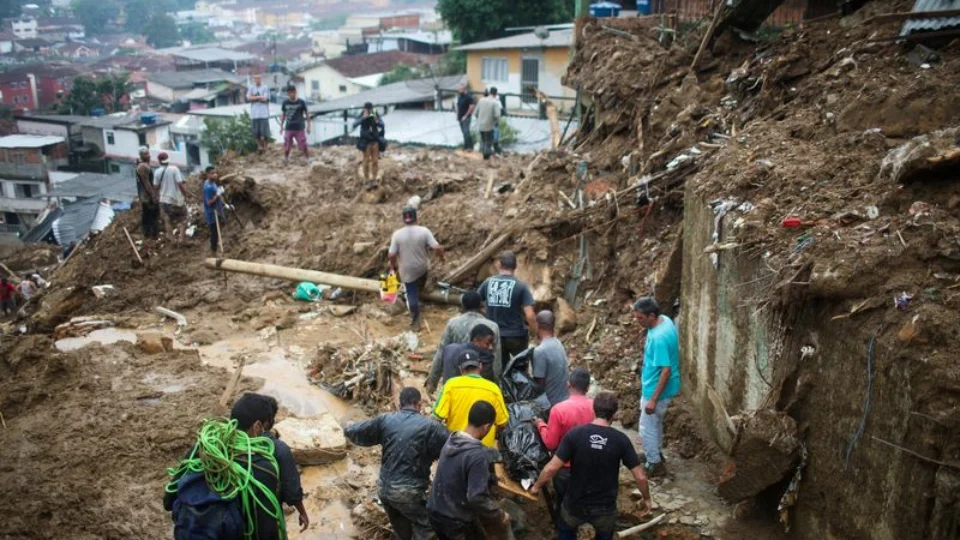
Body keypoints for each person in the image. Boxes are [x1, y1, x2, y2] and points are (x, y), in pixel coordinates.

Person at [530, 392, 652, 540]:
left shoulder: (575, 434)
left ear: (593, 410)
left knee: (565, 532)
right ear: (614, 414)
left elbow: (552, 468)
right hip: (605, 508)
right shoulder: (621, 440)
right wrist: (646, 499)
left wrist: (536, 487)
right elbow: (640, 477)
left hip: (574, 504)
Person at [164, 394, 285, 540]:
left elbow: (168, 501)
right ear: (257, 427)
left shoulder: (202, 448)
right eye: (267, 428)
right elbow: (265, 531)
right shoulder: (262, 468)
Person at [345, 387, 449, 540]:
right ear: (419, 405)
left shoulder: (385, 420)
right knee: (427, 525)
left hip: (384, 490)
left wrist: (347, 428)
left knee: (401, 529)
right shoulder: (430, 427)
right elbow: (453, 447)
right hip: (408, 492)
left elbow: (358, 431)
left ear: (399, 405)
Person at [428, 400, 510, 540]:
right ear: (486, 427)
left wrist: (491, 478)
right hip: (455, 520)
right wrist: (499, 514)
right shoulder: (477, 455)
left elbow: (459, 472)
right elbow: (476, 497)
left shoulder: (453, 439)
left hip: (435, 510)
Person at [535, 367, 595, 512]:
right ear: (588, 387)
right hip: (591, 466)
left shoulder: (559, 410)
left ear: (568, 385)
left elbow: (550, 443)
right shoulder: (596, 407)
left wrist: (540, 425)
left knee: (564, 506)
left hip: (565, 469)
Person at [633, 297, 681, 477]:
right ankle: (656, 453)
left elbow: (666, 370)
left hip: (655, 390)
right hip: (666, 388)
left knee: (647, 428)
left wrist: (653, 399)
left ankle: (654, 463)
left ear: (651, 316)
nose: (638, 321)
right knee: (655, 424)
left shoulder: (658, 338)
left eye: (640, 318)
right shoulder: (665, 321)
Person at [426, 290, 502, 394]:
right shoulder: (492, 326)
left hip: (457, 377)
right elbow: (497, 359)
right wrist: (497, 387)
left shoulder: (453, 324)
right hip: (482, 380)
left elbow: (441, 353)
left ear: (463, 306)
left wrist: (432, 383)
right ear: (480, 306)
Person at [432, 349, 508, 448]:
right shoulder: (493, 389)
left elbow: (436, 418)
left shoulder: (451, 385)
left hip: (456, 447)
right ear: (480, 366)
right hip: (483, 450)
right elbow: (503, 423)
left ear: (461, 369)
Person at [256, 394, 310, 532]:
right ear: (269, 420)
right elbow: (291, 487)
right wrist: (302, 512)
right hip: (268, 519)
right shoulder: (278, 449)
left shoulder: (231, 446)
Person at [388, 206, 444, 331]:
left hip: (407, 271)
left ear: (403, 219)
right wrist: (441, 257)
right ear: (416, 218)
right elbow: (437, 248)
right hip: (422, 268)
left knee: (411, 293)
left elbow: (391, 255)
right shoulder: (424, 231)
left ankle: (416, 321)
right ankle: (421, 289)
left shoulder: (397, 234)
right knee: (421, 278)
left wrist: (392, 266)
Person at [477, 251, 538, 363]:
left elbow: (475, 302)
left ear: (499, 265)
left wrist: (486, 313)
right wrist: (537, 332)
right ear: (515, 267)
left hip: (494, 335)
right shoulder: (521, 286)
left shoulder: (488, 283)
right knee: (520, 367)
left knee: (500, 368)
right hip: (517, 335)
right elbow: (530, 315)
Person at [431, 323, 498, 391]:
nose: (491, 347)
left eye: (492, 344)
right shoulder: (482, 358)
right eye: (487, 344)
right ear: (476, 341)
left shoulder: (450, 348)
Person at [531, 310, 570, 406]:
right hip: (565, 399)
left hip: (551, 404)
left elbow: (539, 386)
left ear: (537, 325)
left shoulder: (540, 351)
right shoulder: (558, 342)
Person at [153, 152, 188, 244]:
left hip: (164, 200)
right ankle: (181, 239)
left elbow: (155, 187)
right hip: (175, 200)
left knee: (167, 219)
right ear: (168, 160)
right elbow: (180, 184)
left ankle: (172, 240)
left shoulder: (157, 172)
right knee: (184, 217)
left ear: (159, 161)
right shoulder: (174, 169)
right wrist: (185, 194)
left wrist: (156, 196)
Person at [353, 102, 385, 183]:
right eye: (368, 109)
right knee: (366, 161)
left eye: (370, 109)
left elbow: (382, 124)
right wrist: (363, 118)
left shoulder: (375, 113)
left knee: (375, 161)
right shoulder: (362, 114)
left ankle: (374, 179)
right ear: (365, 109)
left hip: (374, 140)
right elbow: (354, 124)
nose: (369, 111)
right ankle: (366, 180)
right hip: (366, 141)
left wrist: (377, 122)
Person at [280, 85, 310, 164]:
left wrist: (308, 126)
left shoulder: (301, 102)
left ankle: (308, 158)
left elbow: (307, 114)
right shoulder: (285, 103)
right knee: (287, 144)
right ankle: (286, 158)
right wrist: (281, 126)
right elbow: (283, 115)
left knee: (303, 144)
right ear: (288, 94)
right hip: (289, 127)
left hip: (299, 128)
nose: (292, 94)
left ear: (296, 92)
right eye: (290, 93)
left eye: (293, 92)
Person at [135, 146, 159, 239]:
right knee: (150, 214)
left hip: (146, 195)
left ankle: (149, 233)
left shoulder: (145, 165)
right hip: (146, 196)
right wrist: (153, 196)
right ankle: (150, 234)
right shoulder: (143, 166)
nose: (148, 155)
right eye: (146, 154)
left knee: (149, 214)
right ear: (141, 156)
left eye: (148, 153)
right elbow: (146, 183)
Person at [203, 166, 226, 253]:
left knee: (218, 228)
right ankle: (213, 250)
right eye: (212, 173)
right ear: (208, 174)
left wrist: (225, 204)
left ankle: (217, 245)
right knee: (214, 232)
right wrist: (218, 194)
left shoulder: (211, 182)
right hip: (213, 213)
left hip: (218, 209)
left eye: (215, 173)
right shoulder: (208, 187)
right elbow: (209, 202)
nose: (215, 175)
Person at [475, 87, 501, 160]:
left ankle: (485, 157)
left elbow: (476, 113)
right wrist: (495, 122)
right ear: (496, 94)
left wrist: (480, 119)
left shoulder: (481, 100)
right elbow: (497, 115)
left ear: (489, 92)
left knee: (483, 141)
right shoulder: (495, 102)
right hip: (489, 126)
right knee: (488, 143)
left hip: (481, 126)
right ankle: (488, 157)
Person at [248, 74, 272, 153]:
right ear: (254, 79)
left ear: (261, 79)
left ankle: (266, 147)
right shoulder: (251, 88)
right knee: (256, 133)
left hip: (263, 113)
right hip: (254, 114)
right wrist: (259, 97)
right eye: (255, 78)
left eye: (258, 78)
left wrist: (254, 97)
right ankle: (260, 146)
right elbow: (248, 98)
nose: (257, 80)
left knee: (265, 133)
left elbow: (266, 99)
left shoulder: (265, 87)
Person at [455, 84, 476, 151]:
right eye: (459, 89)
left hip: (466, 117)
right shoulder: (459, 97)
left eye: (460, 89)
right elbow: (458, 106)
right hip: (460, 116)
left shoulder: (468, 97)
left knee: (466, 132)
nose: (459, 90)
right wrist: (457, 115)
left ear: (464, 89)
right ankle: (468, 146)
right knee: (464, 132)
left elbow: (472, 106)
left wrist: (466, 115)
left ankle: (468, 146)